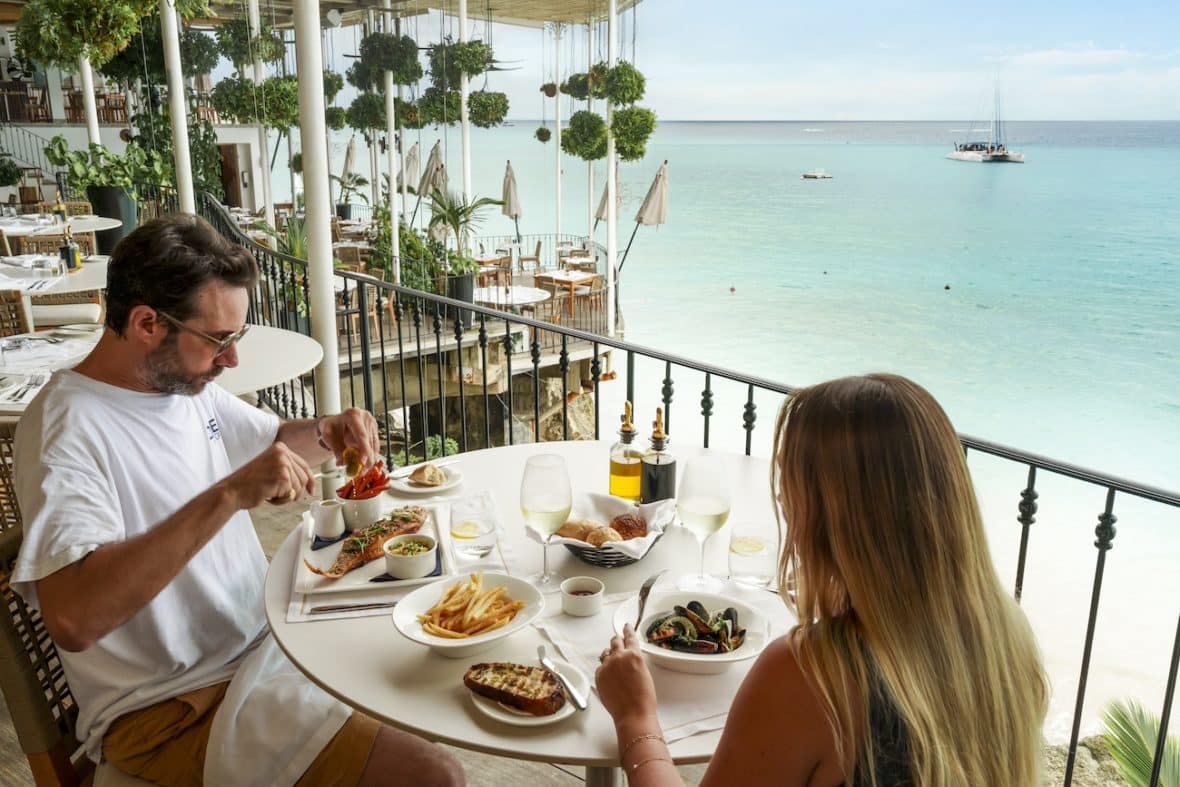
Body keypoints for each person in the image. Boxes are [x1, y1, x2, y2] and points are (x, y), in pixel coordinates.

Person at [11, 214, 464, 787]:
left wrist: (330, 431)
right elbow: (73, 617)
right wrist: (228, 494)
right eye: (219, 340)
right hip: (175, 707)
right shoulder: (66, 430)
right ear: (147, 322)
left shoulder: (176, 387)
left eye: (236, 339)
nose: (232, 362)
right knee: (436, 776)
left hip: (264, 651)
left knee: (427, 674)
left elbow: (270, 440)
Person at [596, 374, 1047, 786]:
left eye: (792, 493)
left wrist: (636, 717)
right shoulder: (1005, 638)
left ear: (827, 519)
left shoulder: (812, 675)